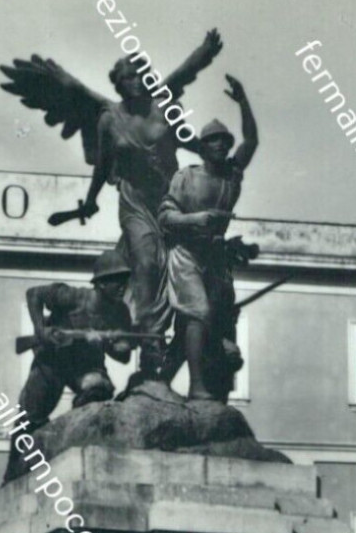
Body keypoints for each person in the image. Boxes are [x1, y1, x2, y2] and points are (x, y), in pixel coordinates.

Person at [73, 33, 225, 385]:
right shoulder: (109, 119)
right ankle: (150, 345)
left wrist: (204, 52)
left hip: (171, 201)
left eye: (142, 75)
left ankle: (196, 335)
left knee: (183, 266)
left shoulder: (163, 105)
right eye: (129, 77)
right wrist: (92, 198)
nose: (138, 81)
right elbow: (103, 164)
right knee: (145, 262)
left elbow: (186, 78)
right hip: (135, 203)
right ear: (119, 84)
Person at [156, 75, 258, 401]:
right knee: (196, 311)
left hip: (215, 257)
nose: (220, 146)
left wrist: (243, 101)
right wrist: (197, 219)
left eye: (224, 142)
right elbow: (165, 217)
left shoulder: (232, 176)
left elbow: (251, 142)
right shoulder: (185, 177)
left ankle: (167, 378)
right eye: (213, 141)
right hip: (185, 252)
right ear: (202, 146)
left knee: (215, 318)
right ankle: (196, 386)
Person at [19, 251, 135, 433]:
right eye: (117, 280)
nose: (123, 286)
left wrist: (108, 344)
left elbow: (124, 356)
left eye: (125, 280)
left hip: (86, 366)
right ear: (102, 283)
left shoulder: (121, 313)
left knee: (98, 393)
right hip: (52, 361)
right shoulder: (74, 297)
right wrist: (40, 330)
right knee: (29, 419)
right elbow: (34, 294)